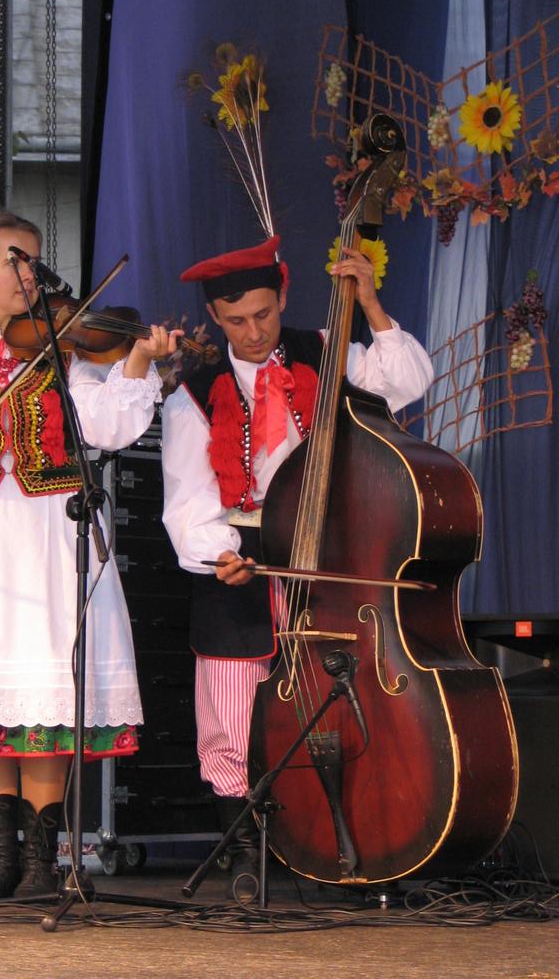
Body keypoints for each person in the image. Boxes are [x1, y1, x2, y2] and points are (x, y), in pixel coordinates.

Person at [0, 209, 179, 904]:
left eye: (33, 260)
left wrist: (138, 360)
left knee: (49, 682)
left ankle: (45, 861)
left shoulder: (64, 347)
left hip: (50, 527)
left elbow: (106, 426)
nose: (28, 275)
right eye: (12, 260)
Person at [160, 234, 433, 902]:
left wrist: (369, 305)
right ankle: (244, 849)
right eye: (235, 321)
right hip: (244, 555)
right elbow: (186, 503)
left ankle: (353, 840)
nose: (253, 333)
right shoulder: (192, 395)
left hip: (334, 552)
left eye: (263, 314)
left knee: (348, 698)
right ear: (215, 318)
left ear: (282, 296)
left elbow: (407, 381)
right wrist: (219, 554)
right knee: (230, 706)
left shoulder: (328, 349)